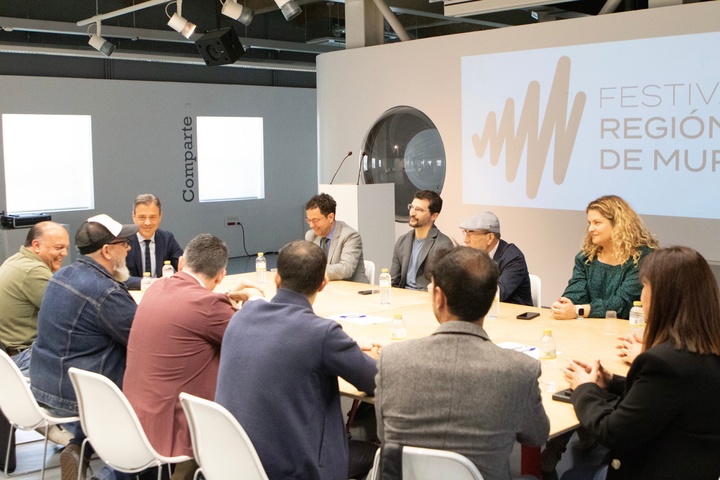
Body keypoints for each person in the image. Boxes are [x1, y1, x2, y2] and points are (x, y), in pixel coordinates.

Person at [375, 246, 549, 480]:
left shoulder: (392, 359)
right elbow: (537, 436)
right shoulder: (521, 371)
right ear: (490, 301)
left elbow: (383, 435)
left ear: (439, 298)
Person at [215, 240, 377, 480]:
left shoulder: (242, 316)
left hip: (236, 462)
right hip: (294, 469)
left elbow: (274, 319)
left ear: (277, 279)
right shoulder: (323, 334)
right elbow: (375, 380)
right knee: (381, 453)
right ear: (324, 284)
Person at [561, 246, 720, 480]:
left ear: (663, 296)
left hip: (652, 468)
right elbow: (662, 398)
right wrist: (611, 382)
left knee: (571, 477)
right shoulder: (705, 348)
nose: (641, 295)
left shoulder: (664, 363)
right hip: (695, 466)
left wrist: (585, 388)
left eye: (645, 286)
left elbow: (612, 431)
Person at [123, 234, 262, 480]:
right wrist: (255, 301)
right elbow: (254, 343)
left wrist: (225, 301)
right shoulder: (208, 305)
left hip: (136, 416)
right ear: (221, 275)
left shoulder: (156, 288)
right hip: (175, 426)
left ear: (181, 263)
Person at [30, 214, 139, 480]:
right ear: (106, 250)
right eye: (124, 243)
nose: (128, 248)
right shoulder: (107, 292)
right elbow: (142, 340)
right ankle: (109, 475)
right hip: (73, 395)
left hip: (43, 382)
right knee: (148, 401)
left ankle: (79, 446)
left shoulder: (64, 274)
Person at [551, 195, 658, 320]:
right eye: (589, 223)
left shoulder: (642, 258)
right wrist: (564, 304)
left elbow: (622, 304)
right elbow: (576, 291)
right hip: (589, 327)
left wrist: (578, 310)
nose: (590, 229)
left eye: (597, 223)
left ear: (618, 225)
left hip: (627, 329)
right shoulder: (586, 257)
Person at [0, 221, 69, 373]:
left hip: (7, 355)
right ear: (36, 246)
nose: (64, 253)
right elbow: (69, 314)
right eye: (59, 248)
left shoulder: (14, 260)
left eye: (66, 248)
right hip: (24, 357)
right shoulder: (34, 271)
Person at [459, 211, 533, 306]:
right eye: (465, 233)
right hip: (483, 312)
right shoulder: (473, 256)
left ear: (490, 237)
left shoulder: (513, 258)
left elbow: (499, 294)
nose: (465, 240)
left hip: (515, 316)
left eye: (471, 234)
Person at [391, 190, 453, 290]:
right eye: (411, 207)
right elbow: (393, 281)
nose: (412, 213)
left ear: (434, 216)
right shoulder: (402, 241)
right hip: (402, 296)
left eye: (419, 210)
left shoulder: (443, 244)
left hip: (425, 297)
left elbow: (442, 286)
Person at [304, 193, 369, 283]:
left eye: (315, 221)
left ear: (330, 217)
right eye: (309, 220)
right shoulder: (311, 235)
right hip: (327, 287)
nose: (311, 225)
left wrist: (314, 271)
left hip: (353, 290)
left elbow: (346, 269)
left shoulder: (350, 235)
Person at [125, 194, 183, 290]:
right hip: (133, 296)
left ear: (160, 216)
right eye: (142, 217)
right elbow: (116, 277)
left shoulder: (167, 239)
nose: (147, 223)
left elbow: (184, 268)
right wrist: (150, 283)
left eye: (152, 217)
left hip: (162, 295)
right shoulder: (123, 241)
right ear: (133, 217)